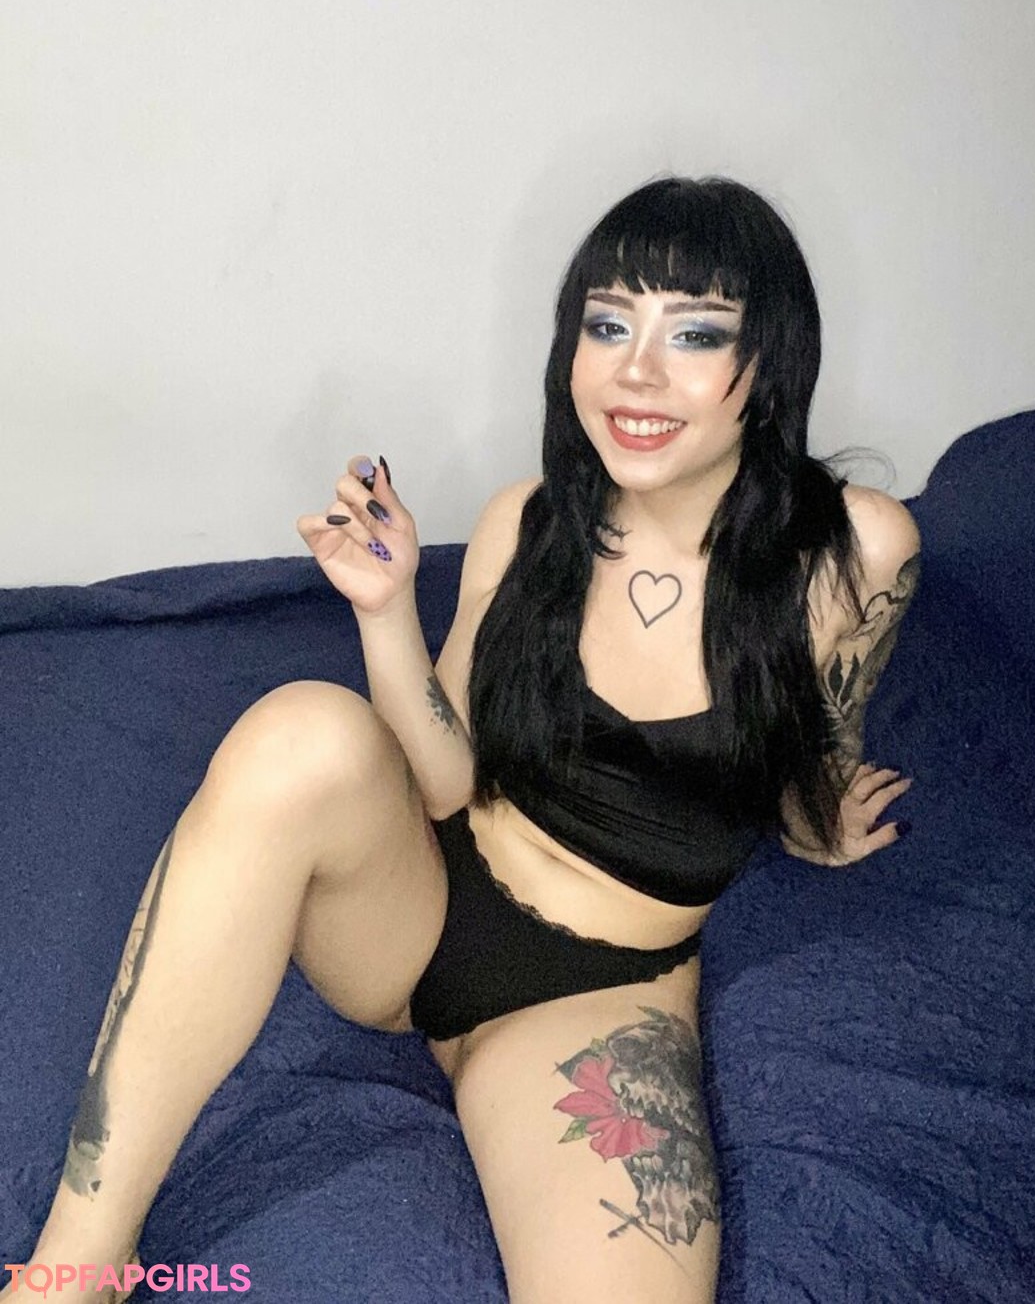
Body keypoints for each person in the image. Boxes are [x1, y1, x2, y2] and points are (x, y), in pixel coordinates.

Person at [7, 176, 920, 1303]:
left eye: (693, 333)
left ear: (770, 361)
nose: (636, 372)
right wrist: (386, 610)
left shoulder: (854, 552)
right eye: (607, 325)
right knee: (302, 731)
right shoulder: (526, 522)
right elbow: (446, 780)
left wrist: (820, 816)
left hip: (594, 996)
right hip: (422, 910)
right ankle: (74, 1268)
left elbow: (820, 720)